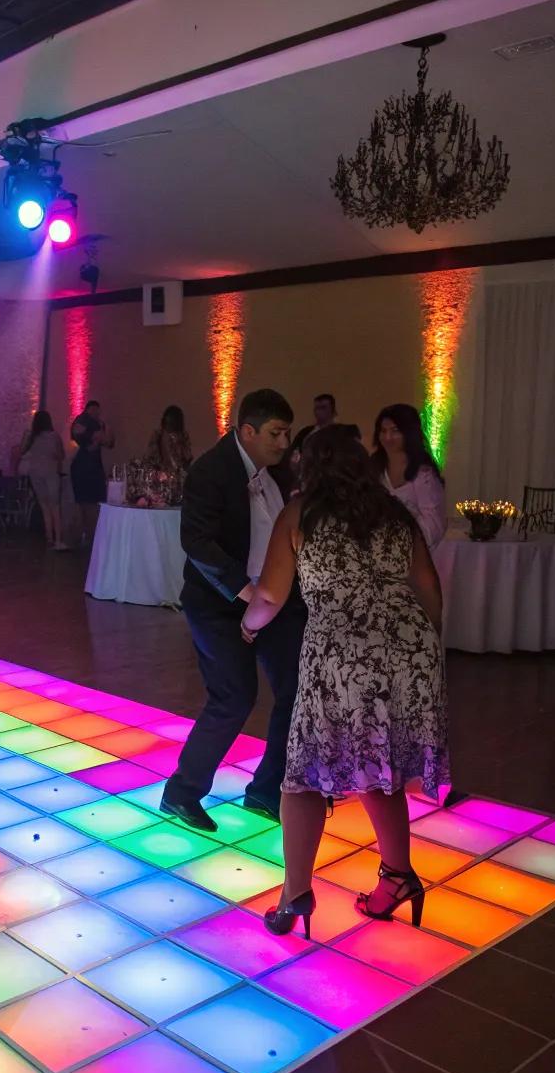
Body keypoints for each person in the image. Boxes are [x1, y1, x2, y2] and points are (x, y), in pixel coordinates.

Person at [240, 425, 447, 937]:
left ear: (308, 466)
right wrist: (420, 653)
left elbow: (269, 597)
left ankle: (295, 894)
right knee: (382, 768)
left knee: (303, 777)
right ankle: (397, 876)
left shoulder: (301, 514)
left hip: (341, 657)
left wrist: (246, 628)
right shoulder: (395, 515)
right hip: (408, 650)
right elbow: (429, 591)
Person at [161, 388, 304, 832]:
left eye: (287, 434)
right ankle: (181, 794)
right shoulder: (211, 470)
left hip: (272, 601)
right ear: (248, 430)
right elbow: (197, 542)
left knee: (297, 691)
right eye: (277, 433)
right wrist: (247, 594)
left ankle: (265, 791)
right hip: (220, 604)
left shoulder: (277, 475)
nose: (284, 443)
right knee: (234, 696)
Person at [372, 403, 447, 550]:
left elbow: (434, 525)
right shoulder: (374, 467)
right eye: (383, 431)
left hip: (416, 553)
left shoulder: (424, 475)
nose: (388, 437)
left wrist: (399, 538)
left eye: (395, 431)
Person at [18, 410, 67, 548]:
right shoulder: (54, 437)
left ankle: (49, 538)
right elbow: (60, 455)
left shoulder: (31, 437)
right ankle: (58, 540)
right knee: (55, 507)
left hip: (35, 473)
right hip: (50, 473)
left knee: (44, 507)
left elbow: (21, 452)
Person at [70, 400, 114, 545]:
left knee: (87, 503)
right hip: (86, 467)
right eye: (94, 410)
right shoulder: (86, 421)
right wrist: (99, 433)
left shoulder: (92, 423)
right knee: (86, 503)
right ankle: (87, 536)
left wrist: (103, 431)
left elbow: (108, 442)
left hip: (88, 467)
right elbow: (106, 441)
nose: (97, 413)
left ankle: (86, 536)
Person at [145, 405, 193, 476]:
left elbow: (188, 457)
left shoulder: (183, 436)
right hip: (161, 476)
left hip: (179, 475)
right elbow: (151, 458)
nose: (170, 426)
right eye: (168, 423)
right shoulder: (157, 435)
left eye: (172, 423)